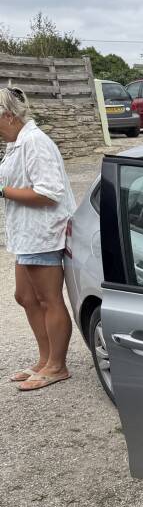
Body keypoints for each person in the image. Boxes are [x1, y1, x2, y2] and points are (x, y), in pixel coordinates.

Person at [0, 87, 76, 391]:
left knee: (48, 299)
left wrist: (2, 191)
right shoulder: (16, 143)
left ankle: (57, 366)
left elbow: (49, 192)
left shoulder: (35, 142)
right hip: (26, 234)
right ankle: (44, 361)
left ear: (7, 115)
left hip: (43, 233)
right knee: (26, 297)